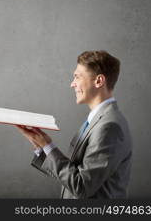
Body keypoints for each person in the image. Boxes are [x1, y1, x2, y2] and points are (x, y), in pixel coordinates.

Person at [16, 50, 132, 198]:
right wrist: (42, 147)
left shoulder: (109, 127)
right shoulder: (98, 120)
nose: (72, 84)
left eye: (77, 77)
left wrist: (48, 147)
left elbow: (82, 186)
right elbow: (74, 172)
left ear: (98, 81)